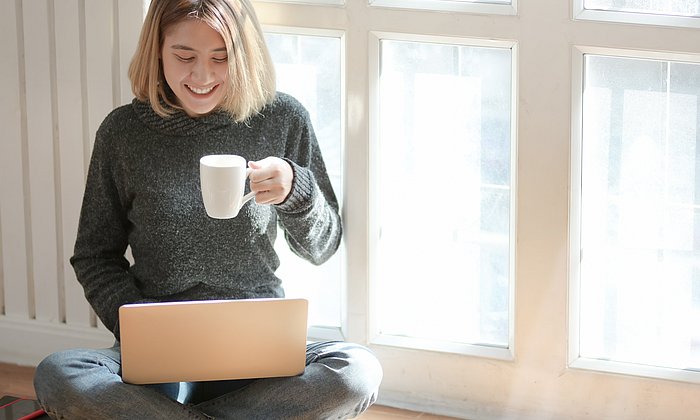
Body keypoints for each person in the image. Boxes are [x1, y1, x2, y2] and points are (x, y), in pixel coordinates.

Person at [32, 0, 382, 418]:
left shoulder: (282, 118)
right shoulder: (123, 133)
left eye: (222, 57)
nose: (202, 76)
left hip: (259, 350)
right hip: (160, 355)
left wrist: (296, 190)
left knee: (357, 370)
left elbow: (323, 247)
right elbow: (94, 256)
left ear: (245, 54)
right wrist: (141, 327)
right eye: (184, 56)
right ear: (156, 51)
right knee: (59, 373)